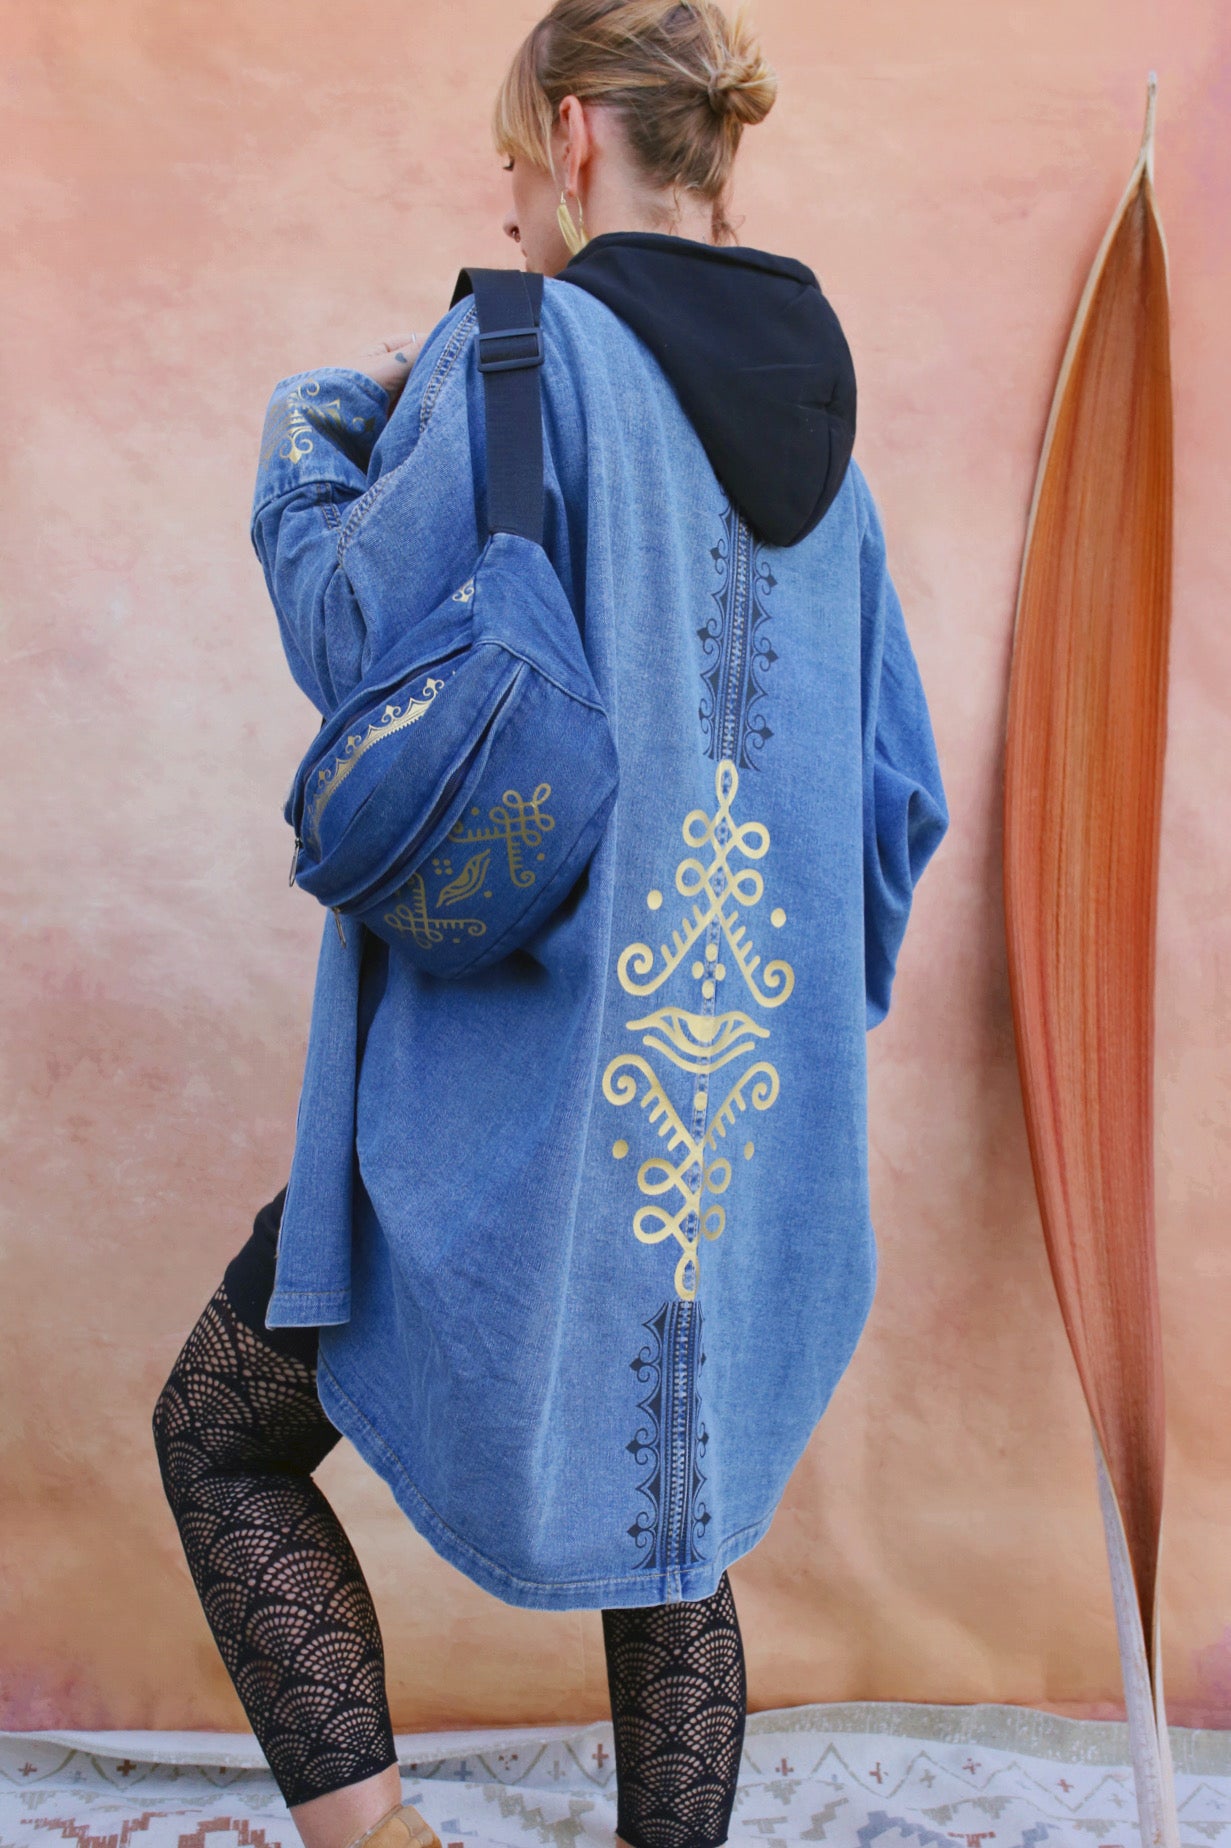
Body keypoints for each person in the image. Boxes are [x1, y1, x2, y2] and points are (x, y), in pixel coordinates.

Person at [152, 5, 950, 1848]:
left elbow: (354, 638)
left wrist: (318, 424)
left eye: (515, 155)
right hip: (727, 1121)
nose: (507, 194)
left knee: (220, 1436)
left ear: (578, 136)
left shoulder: (517, 353)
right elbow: (895, 803)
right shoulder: (835, 450)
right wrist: (778, 1032)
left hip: (514, 1116)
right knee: (676, 1527)